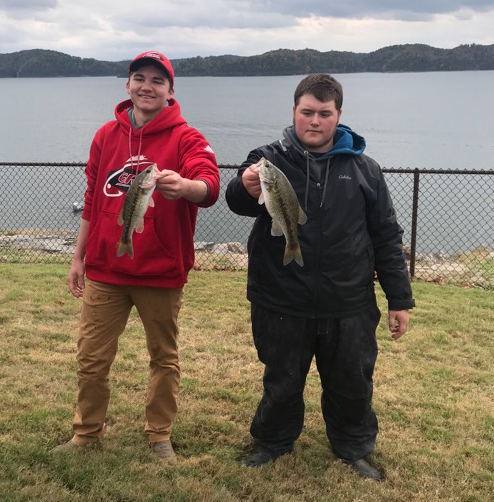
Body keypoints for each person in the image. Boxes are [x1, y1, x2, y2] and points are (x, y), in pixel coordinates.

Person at [225, 73, 414, 480]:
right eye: (306, 112)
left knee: (352, 383)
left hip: (349, 303)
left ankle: (353, 447)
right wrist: (245, 185)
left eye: (324, 114)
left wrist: (399, 299)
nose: (314, 121)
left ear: (338, 116)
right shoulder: (267, 159)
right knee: (283, 380)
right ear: (294, 112)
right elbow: (237, 200)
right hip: (281, 298)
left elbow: (386, 235)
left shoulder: (365, 170)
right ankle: (272, 442)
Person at [53, 51, 220, 461]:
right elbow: (93, 199)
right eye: (140, 78)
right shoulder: (105, 136)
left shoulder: (186, 137)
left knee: (164, 358)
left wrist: (186, 187)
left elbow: (209, 183)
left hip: (161, 273)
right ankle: (85, 435)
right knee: (91, 358)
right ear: (128, 85)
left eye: (157, 81)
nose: (147, 86)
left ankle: (159, 433)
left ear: (170, 91)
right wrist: (79, 258)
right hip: (106, 270)